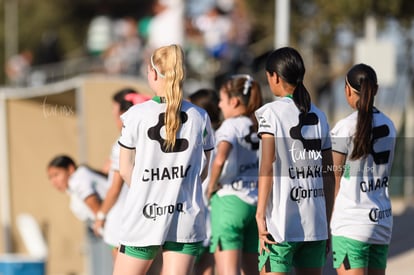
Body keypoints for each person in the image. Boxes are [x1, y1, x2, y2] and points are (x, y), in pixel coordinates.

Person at [112, 44, 215, 275]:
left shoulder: (135, 116)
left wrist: (150, 190)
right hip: (185, 216)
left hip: (144, 215)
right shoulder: (201, 116)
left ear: (153, 73)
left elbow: (125, 170)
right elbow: (203, 170)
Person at [254, 47, 335, 275]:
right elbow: (329, 173)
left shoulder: (270, 113)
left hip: (280, 227)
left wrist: (260, 214)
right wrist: (326, 222)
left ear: (275, 77)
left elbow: (267, 166)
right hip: (315, 224)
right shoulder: (320, 115)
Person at [329, 63, 396, 275]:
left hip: (351, 223)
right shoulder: (390, 125)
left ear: (347, 90)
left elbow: (334, 180)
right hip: (381, 221)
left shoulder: (345, 127)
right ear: (375, 90)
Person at [206, 74, 263, 275]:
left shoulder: (230, 126)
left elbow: (220, 158)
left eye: (222, 100)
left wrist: (211, 187)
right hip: (255, 202)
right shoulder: (259, 124)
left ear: (234, 101)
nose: (219, 105)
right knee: (251, 270)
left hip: (230, 202)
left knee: (228, 271)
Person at [93, 88, 150, 260]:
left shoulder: (122, 144)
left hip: (122, 220)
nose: (113, 114)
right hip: (147, 217)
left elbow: (115, 187)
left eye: (114, 108)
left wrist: (100, 215)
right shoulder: (149, 142)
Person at [47, 155, 113, 275]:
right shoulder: (77, 181)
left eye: (56, 175)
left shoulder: (78, 179)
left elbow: (96, 207)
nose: (53, 182)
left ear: (70, 169)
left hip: (115, 228)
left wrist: (100, 220)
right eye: (50, 178)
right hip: (110, 231)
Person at [188, 88, 221, 275]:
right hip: (212, 218)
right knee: (206, 270)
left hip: (195, 212)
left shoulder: (201, 140)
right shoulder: (223, 134)